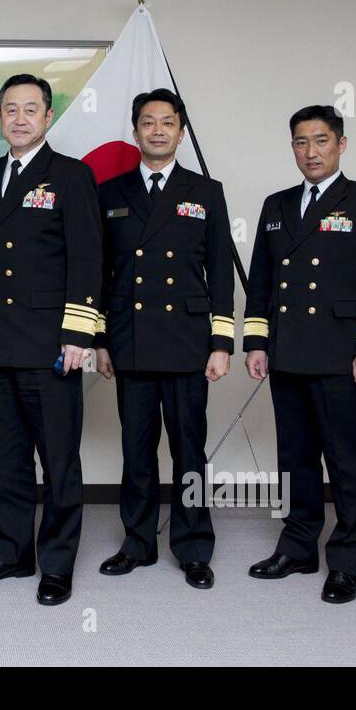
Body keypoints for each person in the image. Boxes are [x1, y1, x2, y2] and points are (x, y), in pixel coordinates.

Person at [243, 104, 356, 604]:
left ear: (341, 144)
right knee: (294, 459)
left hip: (341, 357)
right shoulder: (277, 204)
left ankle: (349, 560)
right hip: (287, 354)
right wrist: (256, 342)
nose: (310, 152)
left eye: (321, 141)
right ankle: (298, 547)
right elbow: (262, 283)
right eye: (300, 142)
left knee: (346, 460)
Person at [0, 74, 102, 606]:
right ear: (0, 117)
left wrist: (79, 333)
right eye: (10, 109)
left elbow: (89, 260)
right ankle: (12, 552)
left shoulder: (71, 176)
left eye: (30, 109)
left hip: (50, 344)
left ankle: (57, 563)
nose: (19, 118)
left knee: (59, 460)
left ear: (48, 116)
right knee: (6, 456)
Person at [94, 89, 234, 589]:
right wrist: (100, 339)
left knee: (189, 450)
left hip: (188, 340)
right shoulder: (110, 192)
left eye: (168, 123)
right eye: (148, 122)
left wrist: (222, 343)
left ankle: (194, 547)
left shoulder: (205, 191)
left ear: (180, 131)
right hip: (129, 338)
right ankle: (137, 542)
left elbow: (219, 272)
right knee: (136, 450)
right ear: (135, 131)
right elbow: (101, 273)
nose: (157, 130)